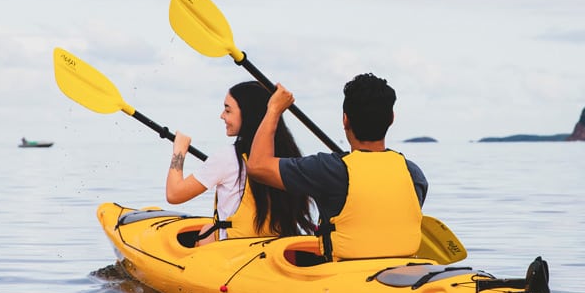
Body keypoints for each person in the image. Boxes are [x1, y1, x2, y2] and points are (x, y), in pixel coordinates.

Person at [247, 73, 426, 261]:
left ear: (345, 120)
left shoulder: (328, 170)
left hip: (344, 276)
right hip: (403, 274)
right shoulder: (413, 173)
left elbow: (258, 166)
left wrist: (274, 109)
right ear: (391, 118)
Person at [166, 81, 314, 244]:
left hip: (235, 252)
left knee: (207, 231)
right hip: (275, 248)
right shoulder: (288, 156)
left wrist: (179, 150)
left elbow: (174, 194)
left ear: (248, 114)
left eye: (228, 110)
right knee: (208, 229)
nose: (222, 115)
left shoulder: (227, 157)